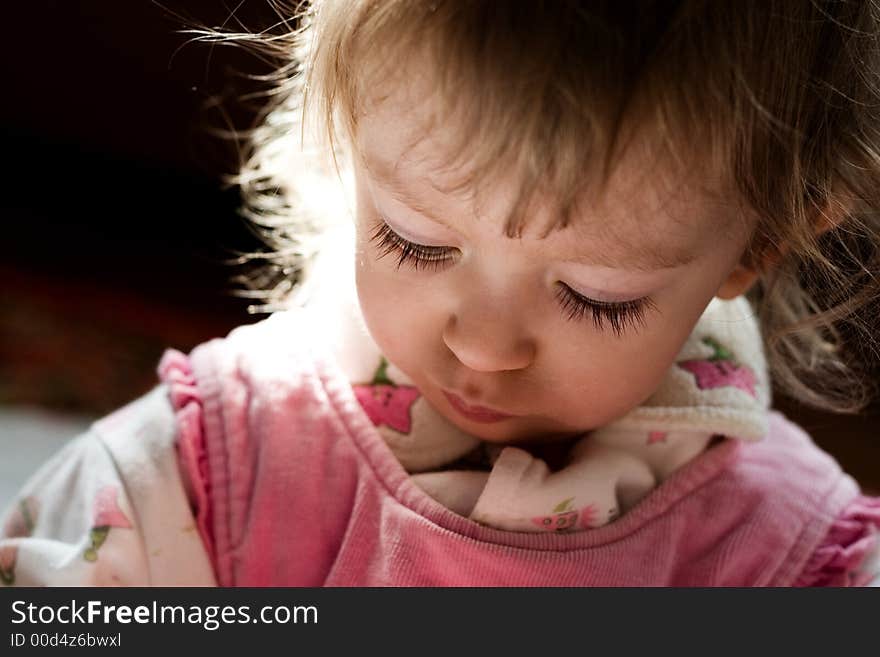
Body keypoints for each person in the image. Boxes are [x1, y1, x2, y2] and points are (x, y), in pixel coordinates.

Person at [2, 0, 880, 586]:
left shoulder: (792, 561)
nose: (485, 347)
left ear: (763, 240)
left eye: (594, 296)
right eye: (415, 240)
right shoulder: (203, 469)